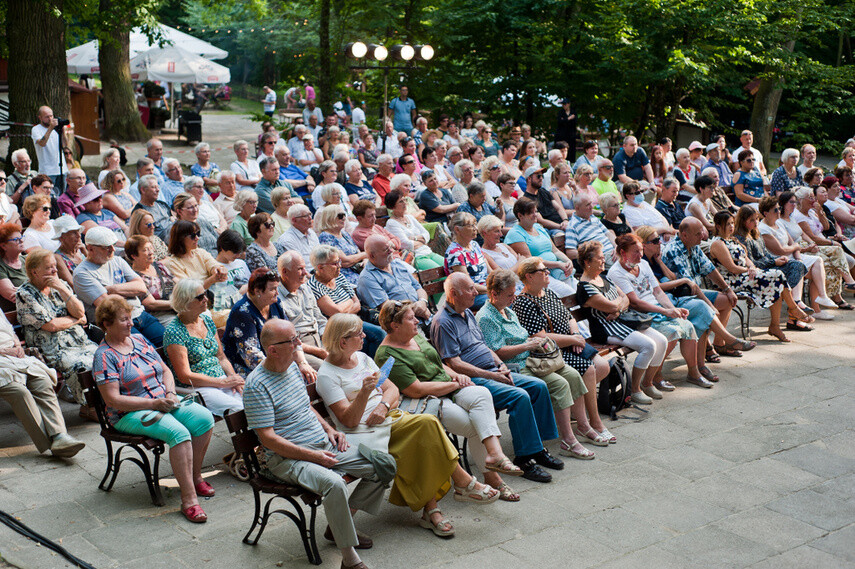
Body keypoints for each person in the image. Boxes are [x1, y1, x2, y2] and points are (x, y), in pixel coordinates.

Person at [243, 319, 389, 569]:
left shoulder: (290, 367)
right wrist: (314, 457)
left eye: (296, 337)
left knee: (384, 465)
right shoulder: (256, 385)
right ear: (272, 349)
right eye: (291, 341)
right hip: (286, 459)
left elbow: (306, 407)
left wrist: (330, 429)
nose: (298, 344)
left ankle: (339, 527)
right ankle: (349, 559)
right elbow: (268, 439)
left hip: (322, 444)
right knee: (333, 484)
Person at [376, 300, 524, 495]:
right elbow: (416, 390)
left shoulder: (414, 336)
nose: (417, 323)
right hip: (430, 400)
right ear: (395, 326)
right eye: (411, 319)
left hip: (449, 386)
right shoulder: (387, 354)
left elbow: (437, 363)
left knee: (482, 393)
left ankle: (495, 455)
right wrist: (453, 384)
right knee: (473, 425)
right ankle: (492, 477)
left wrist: (456, 374)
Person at [93, 296, 215, 523]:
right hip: (128, 413)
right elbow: (112, 400)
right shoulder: (104, 356)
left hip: (162, 399)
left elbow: (165, 371)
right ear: (106, 324)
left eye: (130, 318)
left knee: (204, 419)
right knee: (179, 434)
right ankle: (189, 500)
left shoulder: (139, 340)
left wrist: (169, 393)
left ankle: (195, 477)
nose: (130, 323)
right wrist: (154, 404)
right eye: (123, 320)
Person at [433, 273, 567, 478]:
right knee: (520, 396)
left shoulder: (467, 313)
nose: (475, 292)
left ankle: (537, 448)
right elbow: (454, 363)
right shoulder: (443, 322)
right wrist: (492, 375)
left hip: (492, 371)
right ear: (453, 293)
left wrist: (501, 365)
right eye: (469, 289)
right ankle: (525, 458)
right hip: (473, 380)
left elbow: (484, 347)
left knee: (538, 386)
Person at [477, 269, 606, 455]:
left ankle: (583, 426)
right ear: (493, 294)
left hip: (533, 359)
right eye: (509, 295)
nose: (513, 298)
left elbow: (522, 336)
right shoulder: (487, 317)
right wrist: (527, 345)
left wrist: (531, 344)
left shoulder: (506, 310)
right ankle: (568, 440)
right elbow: (497, 353)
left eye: (514, 294)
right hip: (518, 366)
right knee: (561, 384)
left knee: (573, 374)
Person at [512, 258, 613, 442]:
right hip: (551, 351)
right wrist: (571, 340)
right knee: (589, 370)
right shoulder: (523, 303)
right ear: (529, 276)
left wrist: (574, 335)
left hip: (570, 341)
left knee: (603, 366)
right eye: (543, 270)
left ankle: (573, 404)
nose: (548, 272)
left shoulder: (548, 292)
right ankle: (594, 422)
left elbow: (569, 317)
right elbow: (540, 337)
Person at [607, 234, 706, 393]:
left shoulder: (644, 264)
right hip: (640, 316)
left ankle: (693, 373)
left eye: (641, 250)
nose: (640, 255)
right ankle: (655, 376)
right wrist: (665, 310)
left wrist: (672, 309)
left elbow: (658, 292)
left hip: (657, 308)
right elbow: (635, 303)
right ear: (622, 252)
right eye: (635, 252)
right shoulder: (616, 272)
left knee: (687, 325)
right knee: (672, 332)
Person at [575, 241, 669, 403]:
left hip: (622, 321)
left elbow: (625, 298)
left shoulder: (603, 278)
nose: (604, 260)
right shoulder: (585, 287)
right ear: (587, 262)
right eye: (599, 258)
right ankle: (635, 390)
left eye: (604, 257)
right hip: (606, 329)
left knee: (662, 341)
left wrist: (617, 308)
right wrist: (617, 306)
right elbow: (612, 305)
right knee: (648, 346)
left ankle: (647, 383)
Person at [16, 248, 98, 410]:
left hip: (80, 342)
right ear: (34, 272)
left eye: (55, 266)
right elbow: (51, 325)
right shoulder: (25, 294)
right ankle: (90, 407)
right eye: (49, 267)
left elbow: (82, 314)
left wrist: (62, 289)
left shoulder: (61, 285)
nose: (55, 270)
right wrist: (75, 320)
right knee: (81, 365)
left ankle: (105, 403)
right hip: (54, 348)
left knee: (103, 358)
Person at [661, 218, 756, 358]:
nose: (703, 236)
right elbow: (690, 286)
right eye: (698, 234)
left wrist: (727, 289)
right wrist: (710, 304)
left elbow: (710, 269)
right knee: (707, 310)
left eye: (702, 232)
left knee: (728, 300)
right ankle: (711, 346)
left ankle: (720, 343)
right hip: (681, 297)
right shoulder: (673, 251)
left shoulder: (693, 245)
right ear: (684, 235)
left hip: (696, 292)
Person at [0, 308, 86, 457]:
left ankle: (60, 436)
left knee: (42, 381)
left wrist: (18, 346)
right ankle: (51, 443)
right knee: (19, 392)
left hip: (14, 357)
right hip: (3, 360)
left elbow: (9, 330)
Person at [709, 211, 804, 342]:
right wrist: (749, 269)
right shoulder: (718, 243)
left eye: (732, 223)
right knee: (777, 277)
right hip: (733, 281)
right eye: (727, 224)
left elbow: (747, 258)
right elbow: (732, 268)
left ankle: (777, 324)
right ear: (718, 226)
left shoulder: (732, 239)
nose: (731, 226)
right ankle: (792, 309)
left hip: (745, 276)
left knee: (776, 281)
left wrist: (752, 267)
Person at [164, 279, 244, 417]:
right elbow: (185, 376)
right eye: (200, 297)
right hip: (198, 387)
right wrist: (221, 382)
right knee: (239, 409)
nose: (206, 299)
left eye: (205, 294)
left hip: (221, 379)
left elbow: (221, 357)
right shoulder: (174, 332)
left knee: (254, 401)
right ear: (186, 302)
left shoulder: (206, 320)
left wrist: (233, 378)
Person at [73, 227, 165, 346]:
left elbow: (141, 287)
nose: (112, 249)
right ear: (90, 248)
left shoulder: (117, 261)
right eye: (106, 247)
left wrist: (111, 289)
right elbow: (108, 306)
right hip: (117, 324)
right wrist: (129, 289)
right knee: (148, 352)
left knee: (170, 345)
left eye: (113, 245)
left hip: (141, 314)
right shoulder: (82, 273)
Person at [734, 202, 812, 324]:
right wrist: (773, 261)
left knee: (797, 265)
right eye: (752, 220)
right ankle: (792, 308)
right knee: (780, 278)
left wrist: (778, 259)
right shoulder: (741, 238)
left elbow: (765, 254)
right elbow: (751, 262)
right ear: (743, 221)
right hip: (757, 271)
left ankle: (788, 302)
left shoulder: (755, 233)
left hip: (769, 264)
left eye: (757, 219)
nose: (756, 223)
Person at [309, 245, 385, 357]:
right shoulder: (314, 286)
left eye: (339, 261)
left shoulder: (339, 276)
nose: (339, 266)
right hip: (339, 327)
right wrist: (348, 304)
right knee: (379, 334)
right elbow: (335, 312)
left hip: (355, 320)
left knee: (376, 335)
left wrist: (342, 310)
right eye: (335, 263)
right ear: (320, 267)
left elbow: (357, 304)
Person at [222, 267, 297, 377]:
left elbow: (291, 336)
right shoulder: (242, 312)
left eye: (277, 288)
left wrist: (301, 362)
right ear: (257, 291)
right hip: (250, 369)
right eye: (272, 289)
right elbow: (252, 357)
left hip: (278, 360)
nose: (277, 293)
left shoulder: (275, 303)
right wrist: (283, 371)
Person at [506, 198, 576, 300]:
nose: (535, 215)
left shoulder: (538, 227)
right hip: (540, 275)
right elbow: (530, 260)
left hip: (558, 271)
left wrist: (568, 261)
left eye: (536, 211)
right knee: (570, 293)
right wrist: (558, 264)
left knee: (580, 290)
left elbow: (555, 250)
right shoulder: (515, 233)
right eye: (531, 213)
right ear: (520, 215)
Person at [357, 235, 431, 320]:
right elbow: (387, 307)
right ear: (372, 256)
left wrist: (423, 302)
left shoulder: (397, 264)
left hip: (421, 312)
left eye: (390, 247)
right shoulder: (367, 278)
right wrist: (419, 309)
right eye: (386, 250)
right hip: (401, 323)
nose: (391, 251)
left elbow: (418, 288)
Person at [444, 212, 494, 311]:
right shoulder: (455, 253)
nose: (476, 228)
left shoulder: (474, 245)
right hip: (472, 295)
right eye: (471, 226)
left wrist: (500, 283)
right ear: (457, 229)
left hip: (486, 289)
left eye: (475, 224)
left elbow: (490, 271)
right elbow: (467, 286)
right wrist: (492, 290)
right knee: (503, 300)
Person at [384, 190, 443, 271]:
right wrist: (422, 241)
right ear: (392, 207)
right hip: (417, 257)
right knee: (442, 273)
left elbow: (426, 234)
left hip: (428, 251)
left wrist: (413, 238)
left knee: (450, 268)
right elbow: (405, 243)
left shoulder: (409, 217)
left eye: (405, 200)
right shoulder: (391, 223)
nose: (405, 203)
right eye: (401, 201)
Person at [124, 234, 176, 327]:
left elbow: (176, 281)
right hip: (161, 314)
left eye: (151, 248)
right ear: (134, 256)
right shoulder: (134, 278)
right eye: (145, 250)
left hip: (178, 306)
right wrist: (178, 304)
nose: (151, 252)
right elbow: (151, 304)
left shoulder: (159, 266)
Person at [564, 193, 616, 267]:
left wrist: (617, 246)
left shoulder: (593, 217)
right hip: (602, 257)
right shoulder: (572, 226)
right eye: (588, 205)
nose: (592, 207)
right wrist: (593, 256)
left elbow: (608, 233)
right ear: (577, 208)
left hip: (613, 251)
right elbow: (570, 252)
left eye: (591, 203)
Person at [75, 183, 128, 248]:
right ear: (86, 204)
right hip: (108, 249)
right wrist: (127, 246)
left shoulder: (107, 212)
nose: (100, 200)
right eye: (96, 199)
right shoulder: (82, 218)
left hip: (124, 246)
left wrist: (130, 242)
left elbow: (125, 228)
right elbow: (102, 237)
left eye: (100, 197)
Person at [30, 106, 67, 191]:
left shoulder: (56, 129)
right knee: (50, 196)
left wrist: (63, 132)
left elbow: (64, 145)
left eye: (51, 116)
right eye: (47, 117)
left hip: (62, 169)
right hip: (47, 171)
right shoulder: (36, 129)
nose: (50, 119)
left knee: (62, 196)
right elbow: (42, 143)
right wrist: (50, 128)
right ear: (40, 117)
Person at [132, 175, 173, 242]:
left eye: (157, 187)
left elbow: (172, 218)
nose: (158, 190)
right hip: (159, 240)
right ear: (143, 190)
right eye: (153, 187)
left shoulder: (162, 204)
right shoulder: (139, 211)